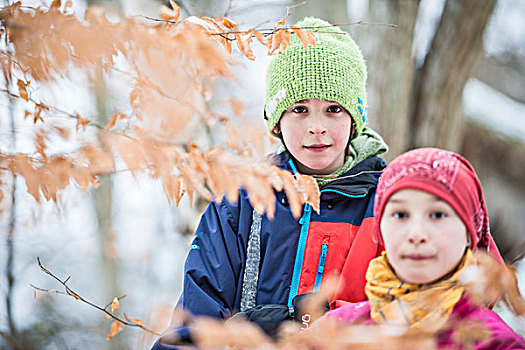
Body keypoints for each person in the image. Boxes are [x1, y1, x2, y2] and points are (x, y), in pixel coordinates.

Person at [152, 16, 388, 348]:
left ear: (355, 117)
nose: (316, 127)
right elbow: (196, 321)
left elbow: (413, 313)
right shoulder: (241, 202)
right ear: (276, 123)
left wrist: (305, 326)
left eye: (333, 109)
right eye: (300, 110)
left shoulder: (389, 202)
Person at [318, 147, 525, 349]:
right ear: (380, 229)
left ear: (470, 233)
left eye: (437, 215)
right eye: (400, 215)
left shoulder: (497, 343)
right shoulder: (336, 331)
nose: (416, 234)